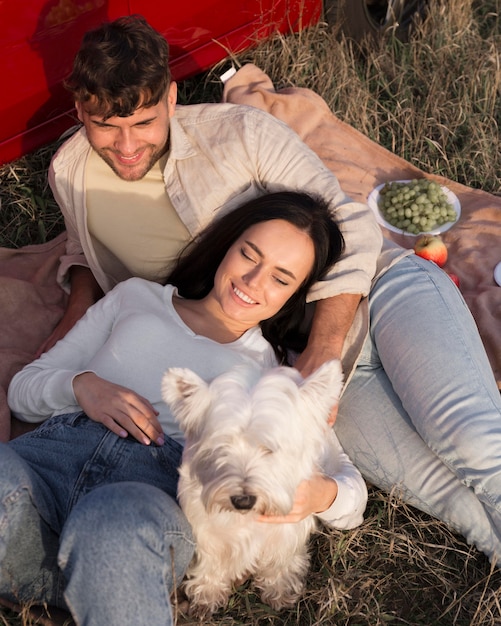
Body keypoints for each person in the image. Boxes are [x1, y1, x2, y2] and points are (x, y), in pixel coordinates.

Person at [26, 15, 501, 565]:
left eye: (145, 122)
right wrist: (76, 310)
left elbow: (350, 224)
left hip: (379, 294)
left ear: (172, 97)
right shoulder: (69, 171)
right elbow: (86, 249)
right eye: (107, 126)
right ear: (80, 110)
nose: (127, 145)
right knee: (443, 496)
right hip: (287, 362)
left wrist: (324, 351)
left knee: (476, 448)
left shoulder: (241, 134)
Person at [0, 192, 368, 626]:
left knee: (114, 524)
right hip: (45, 469)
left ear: (294, 296)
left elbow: (350, 492)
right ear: (227, 245)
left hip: (147, 496)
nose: (252, 280)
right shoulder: (136, 297)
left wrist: (318, 495)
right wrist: (83, 386)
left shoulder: (272, 375)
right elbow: (23, 391)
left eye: (280, 278)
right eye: (249, 254)